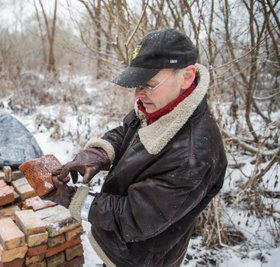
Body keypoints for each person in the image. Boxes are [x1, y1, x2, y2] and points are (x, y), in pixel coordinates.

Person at [51, 28, 228, 267]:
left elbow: (133, 218)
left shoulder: (192, 156)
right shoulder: (162, 105)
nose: (138, 94)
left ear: (186, 77)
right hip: (119, 248)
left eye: (148, 84)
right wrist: (99, 153)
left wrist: (73, 198)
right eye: (137, 84)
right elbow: (129, 131)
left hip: (142, 258)